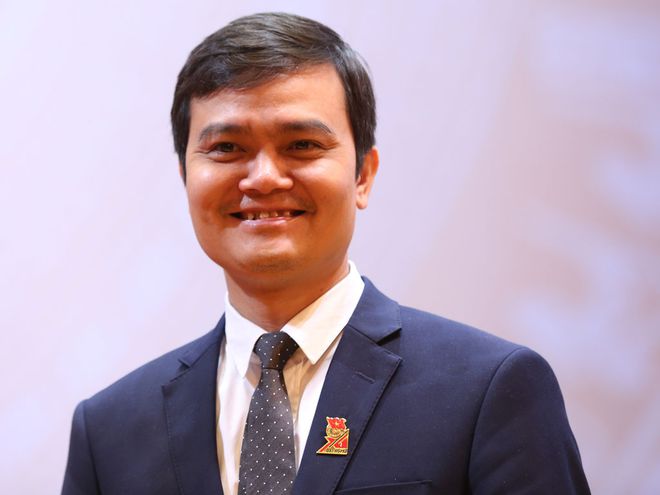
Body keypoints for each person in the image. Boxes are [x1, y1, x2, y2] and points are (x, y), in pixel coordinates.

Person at [62, 12, 590, 495]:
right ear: (185, 176)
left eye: (302, 145)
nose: (263, 178)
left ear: (363, 175)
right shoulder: (109, 431)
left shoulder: (487, 390)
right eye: (226, 148)